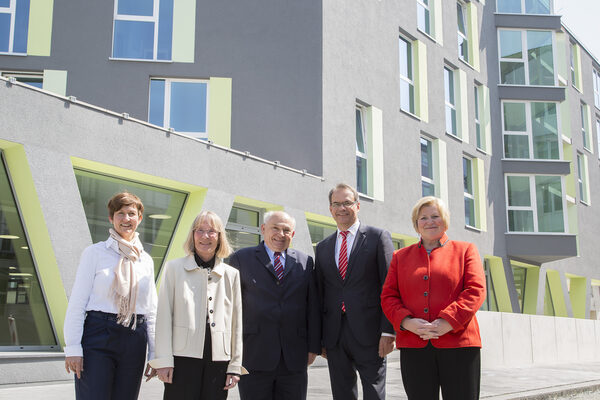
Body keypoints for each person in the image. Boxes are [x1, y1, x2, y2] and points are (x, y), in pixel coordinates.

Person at [381, 196, 486, 400]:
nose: (430, 221)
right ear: (416, 224)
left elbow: (476, 290)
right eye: (423, 218)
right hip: (414, 344)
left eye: (435, 216)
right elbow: (388, 296)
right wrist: (406, 322)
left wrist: (448, 321)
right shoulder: (399, 256)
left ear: (445, 220)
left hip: (459, 344)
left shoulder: (465, 250)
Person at [63, 192, 157, 400]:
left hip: (134, 336)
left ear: (139, 218)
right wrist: (73, 348)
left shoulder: (146, 261)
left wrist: (154, 353)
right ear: (111, 218)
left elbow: (151, 310)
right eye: (120, 213)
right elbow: (78, 303)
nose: (126, 219)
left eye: (131, 213)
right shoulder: (94, 253)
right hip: (98, 334)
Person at [149, 211, 246, 399]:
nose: (205, 236)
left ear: (219, 237)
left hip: (219, 358)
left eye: (212, 231)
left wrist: (235, 366)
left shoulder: (231, 274)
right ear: (192, 235)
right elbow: (163, 317)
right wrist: (163, 361)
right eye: (200, 230)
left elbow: (236, 323)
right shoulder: (174, 268)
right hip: (181, 358)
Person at [314, 183, 395, 400]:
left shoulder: (378, 238)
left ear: (358, 206)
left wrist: (388, 331)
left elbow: (390, 286)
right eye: (336, 204)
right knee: (341, 394)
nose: (342, 208)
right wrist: (320, 339)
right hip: (334, 335)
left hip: (371, 334)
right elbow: (320, 295)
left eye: (347, 203)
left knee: (374, 394)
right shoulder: (322, 247)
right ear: (330, 209)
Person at [229, 211, 321, 400]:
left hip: (294, 357)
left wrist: (314, 346)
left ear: (292, 234)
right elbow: (231, 308)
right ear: (263, 229)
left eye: (286, 230)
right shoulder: (240, 259)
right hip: (253, 354)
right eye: (275, 228)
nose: (281, 234)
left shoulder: (305, 261)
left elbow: (312, 307)